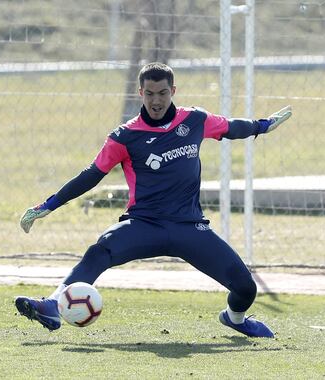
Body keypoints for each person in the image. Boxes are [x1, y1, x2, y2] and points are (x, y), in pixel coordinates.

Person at [15, 62, 292, 337]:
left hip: (189, 227)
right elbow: (90, 175)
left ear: (173, 91)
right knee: (99, 251)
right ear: (140, 93)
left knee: (246, 288)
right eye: (150, 94)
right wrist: (47, 206)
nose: (156, 100)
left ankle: (235, 319)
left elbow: (231, 127)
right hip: (143, 225)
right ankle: (52, 305)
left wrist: (262, 126)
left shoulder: (194, 120)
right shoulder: (125, 136)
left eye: (162, 93)